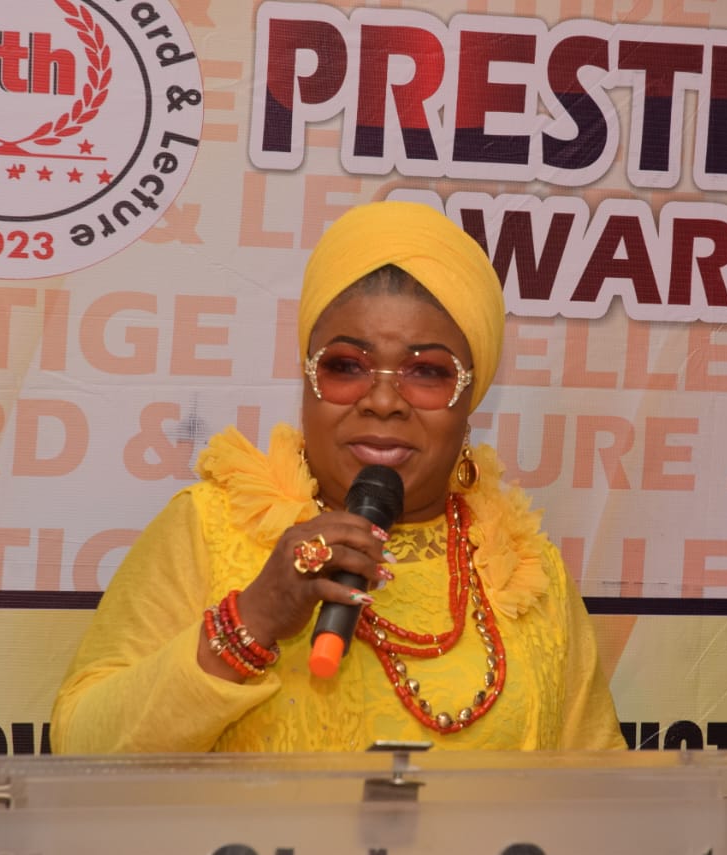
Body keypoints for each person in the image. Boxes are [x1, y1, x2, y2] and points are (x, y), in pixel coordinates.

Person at [51, 200, 626, 753]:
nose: (383, 401)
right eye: (346, 366)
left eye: (427, 372)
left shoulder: (525, 567)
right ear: (307, 379)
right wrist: (254, 618)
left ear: (470, 398)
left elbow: (598, 787)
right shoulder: (209, 527)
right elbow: (81, 749)